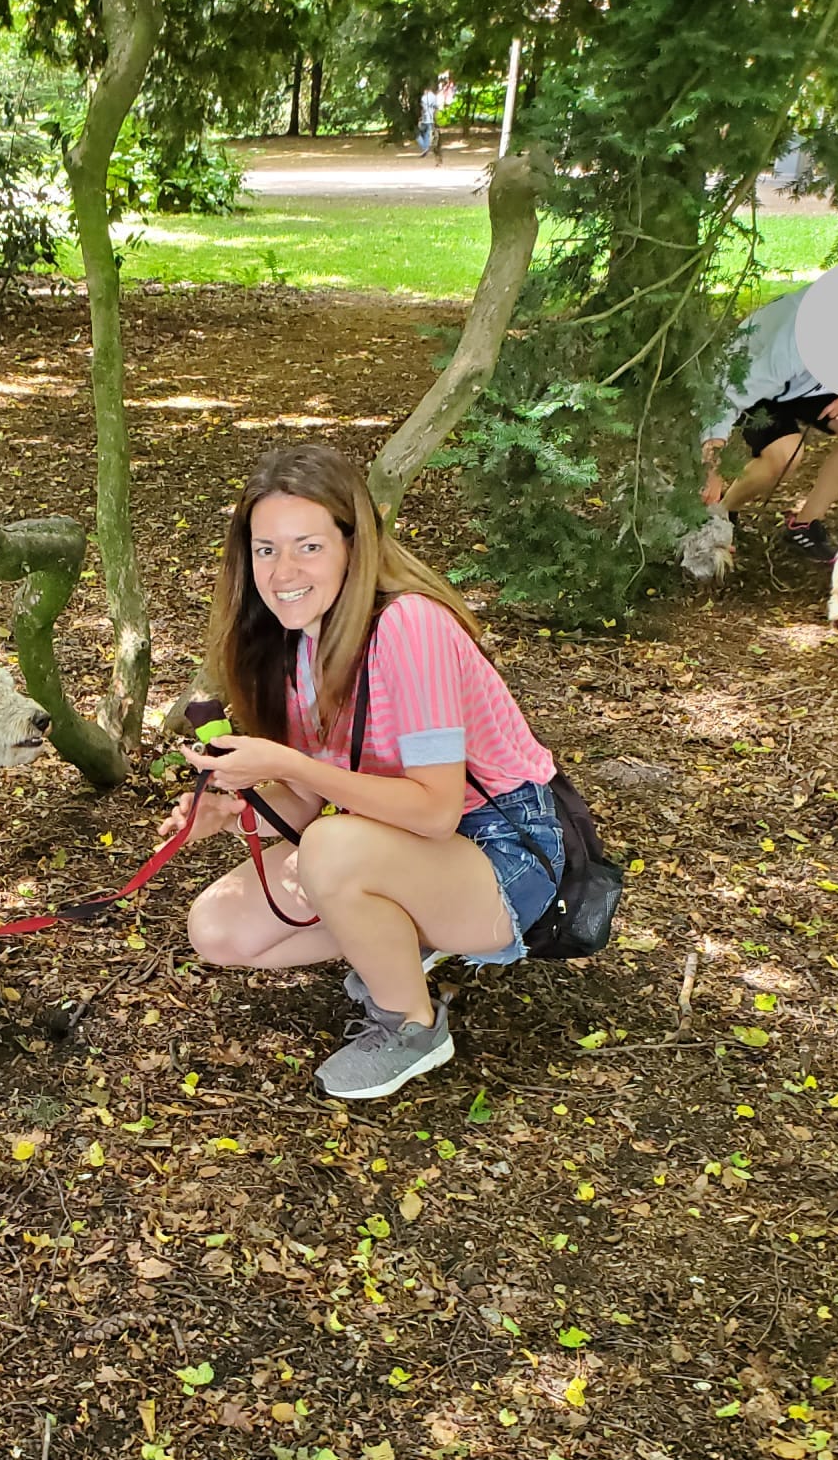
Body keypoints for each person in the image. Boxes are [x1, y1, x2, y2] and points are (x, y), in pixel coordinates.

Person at [158, 444, 564, 1101]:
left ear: (355, 543)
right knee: (218, 929)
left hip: (506, 857)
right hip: (402, 845)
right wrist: (233, 816)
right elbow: (306, 794)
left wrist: (283, 762)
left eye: (307, 547)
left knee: (331, 846)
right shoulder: (297, 646)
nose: (283, 570)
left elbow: (434, 809)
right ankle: (396, 938)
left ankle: (411, 1024)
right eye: (265, 550)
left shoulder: (410, 626)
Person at [700, 281, 838, 566]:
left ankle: (804, 525)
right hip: (757, 386)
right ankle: (721, 515)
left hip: (809, 380)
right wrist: (711, 468)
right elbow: (723, 401)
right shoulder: (785, 348)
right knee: (786, 456)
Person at [417, 82, 441, 157]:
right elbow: (436, 108)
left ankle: (425, 147)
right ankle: (425, 148)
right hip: (431, 119)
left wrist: (420, 117)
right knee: (427, 134)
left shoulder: (423, 98)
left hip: (425, 118)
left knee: (417, 134)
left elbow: (423, 109)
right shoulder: (434, 97)